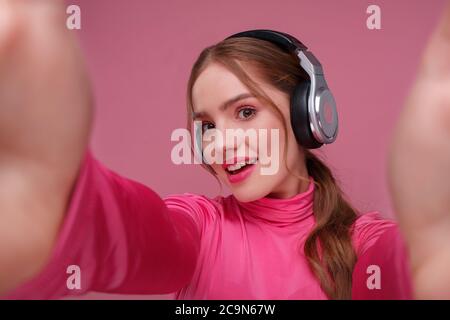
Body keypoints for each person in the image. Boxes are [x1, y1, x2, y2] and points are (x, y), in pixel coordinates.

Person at [0, 0, 448, 300]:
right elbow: (132, 232)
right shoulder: (199, 225)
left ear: (305, 116)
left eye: (246, 112)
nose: (221, 142)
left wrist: (426, 261)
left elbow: (397, 266)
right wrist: (63, 206)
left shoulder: (361, 243)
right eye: (207, 125)